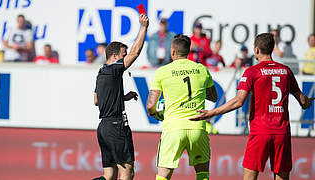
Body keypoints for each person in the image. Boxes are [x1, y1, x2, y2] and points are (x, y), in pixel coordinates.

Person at [190, 33, 313, 180]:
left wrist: (211, 113)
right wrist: (308, 101)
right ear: (272, 48)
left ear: (256, 50)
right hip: (282, 132)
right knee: (282, 177)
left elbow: (239, 101)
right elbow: (304, 102)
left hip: (260, 131)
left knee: (249, 177)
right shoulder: (286, 71)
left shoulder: (252, 72)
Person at [146, 34, 218, 180]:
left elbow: (151, 105)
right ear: (188, 51)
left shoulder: (162, 72)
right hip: (197, 129)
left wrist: (156, 114)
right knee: (202, 174)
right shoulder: (201, 69)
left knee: (163, 175)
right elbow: (213, 96)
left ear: (172, 52)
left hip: (173, 128)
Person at [93, 14, 149, 180]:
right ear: (115, 57)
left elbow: (97, 100)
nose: (126, 58)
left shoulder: (101, 73)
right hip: (116, 126)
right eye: (123, 55)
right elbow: (135, 52)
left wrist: (122, 97)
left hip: (103, 127)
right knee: (127, 172)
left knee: (109, 176)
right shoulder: (114, 69)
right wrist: (143, 27)